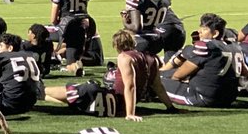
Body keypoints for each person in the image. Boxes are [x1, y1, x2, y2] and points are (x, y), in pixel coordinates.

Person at [45, 30, 176, 120]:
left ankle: (39, 91)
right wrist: (170, 107)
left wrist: (130, 113)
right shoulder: (153, 59)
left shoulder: (125, 57)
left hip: (114, 102)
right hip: (117, 103)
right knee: (72, 100)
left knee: (81, 90)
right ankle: (41, 95)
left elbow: (130, 86)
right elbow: (158, 86)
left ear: (116, 45)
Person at [161, 13, 248, 107]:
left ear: (215, 33)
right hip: (228, 98)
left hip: (202, 97)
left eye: (204, 29)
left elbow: (177, 76)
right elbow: (247, 75)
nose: (199, 31)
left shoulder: (207, 46)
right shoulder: (236, 47)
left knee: (157, 81)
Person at [49, 0, 95, 75]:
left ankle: (48, 59)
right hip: (80, 29)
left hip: (65, 29)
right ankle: (76, 66)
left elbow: (53, 19)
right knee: (71, 63)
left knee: (39, 32)